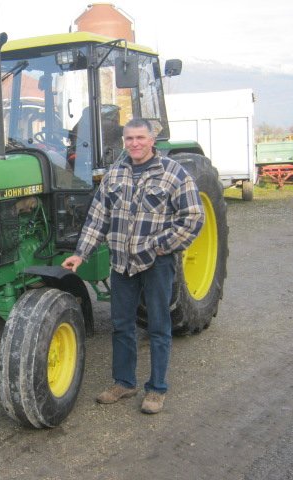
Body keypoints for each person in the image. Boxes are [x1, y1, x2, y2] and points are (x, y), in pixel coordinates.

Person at [61, 118, 204, 414]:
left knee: (159, 325)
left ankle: (157, 389)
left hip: (155, 263)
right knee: (121, 325)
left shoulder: (173, 173)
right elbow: (98, 217)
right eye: (129, 138)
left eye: (140, 137)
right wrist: (81, 253)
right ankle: (124, 383)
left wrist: (160, 245)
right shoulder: (115, 174)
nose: (134, 143)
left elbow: (192, 218)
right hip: (122, 264)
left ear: (152, 140)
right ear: (123, 141)